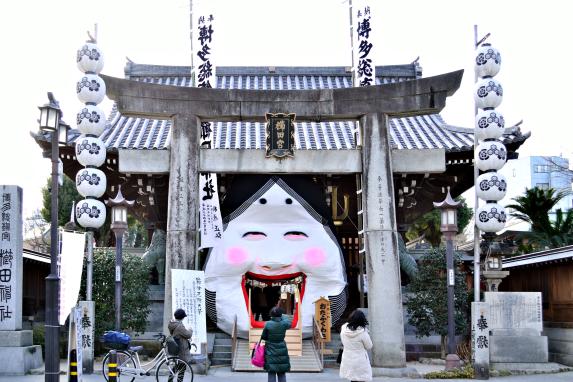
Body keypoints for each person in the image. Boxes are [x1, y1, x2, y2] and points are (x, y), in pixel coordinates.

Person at [339, 309, 373, 382]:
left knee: (352, 379)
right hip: (360, 360)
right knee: (361, 378)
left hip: (348, 357)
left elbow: (343, 341)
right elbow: (369, 346)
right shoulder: (363, 332)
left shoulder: (344, 329)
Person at [261, 306, 292, 382]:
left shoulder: (268, 324)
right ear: (280, 314)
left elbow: (263, 337)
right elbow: (289, 323)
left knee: (271, 372)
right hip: (282, 348)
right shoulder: (284, 323)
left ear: (271, 314)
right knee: (281, 372)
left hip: (270, 349)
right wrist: (283, 315)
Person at [168, 308, 193, 381]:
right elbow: (188, 335)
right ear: (182, 317)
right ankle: (178, 380)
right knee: (182, 366)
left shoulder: (172, 324)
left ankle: (170, 380)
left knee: (178, 365)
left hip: (177, 346)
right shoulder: (179, 326)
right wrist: (190, 329)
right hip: (182, 348)